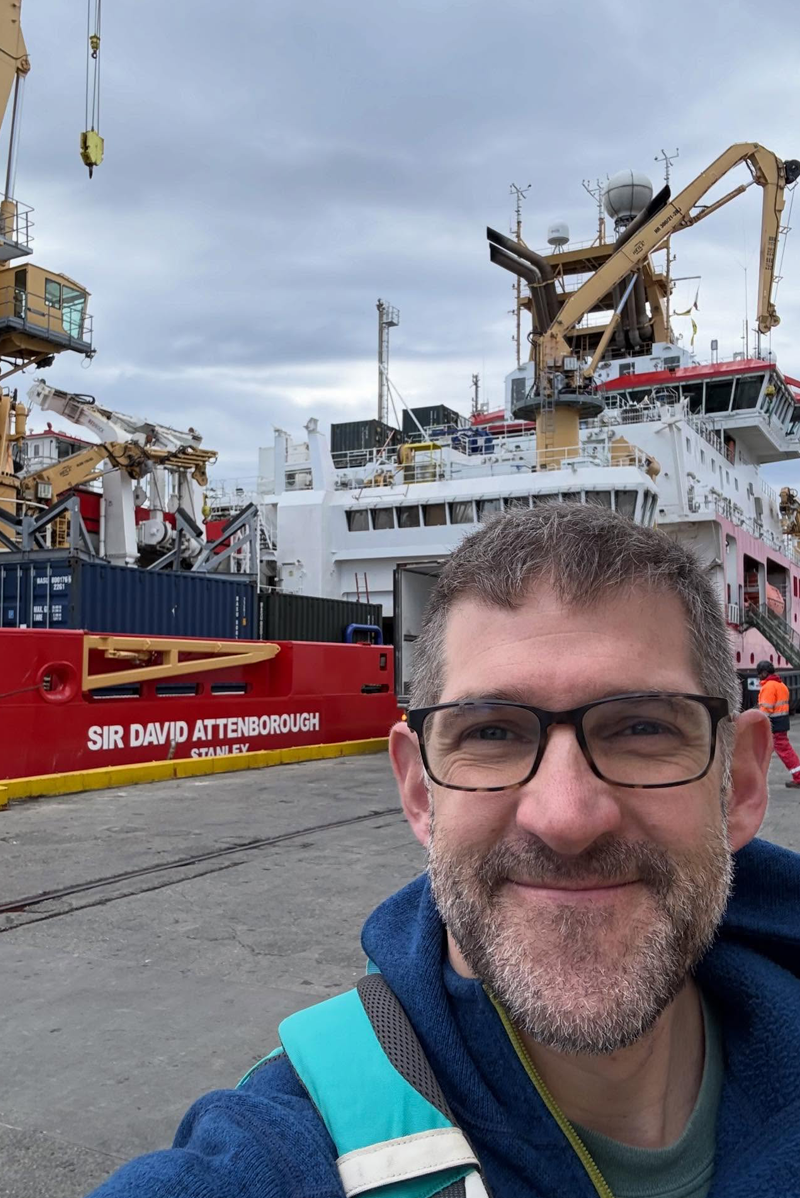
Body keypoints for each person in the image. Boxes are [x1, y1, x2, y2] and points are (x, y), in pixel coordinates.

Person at [86, 504, 800, 1198]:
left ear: (738, 784)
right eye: (491, 733)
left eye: (642, 727)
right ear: (420, 793)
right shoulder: (286, 1148)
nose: (566, 817)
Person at [755, 658, 800, 788]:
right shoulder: (781, 685)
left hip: (773, 725)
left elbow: (766, 709)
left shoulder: (768, 687)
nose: (758, 677)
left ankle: (798, 777)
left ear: (764, 673)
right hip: (781, 723)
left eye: (759, 673)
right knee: (767, 750)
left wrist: (757, 722)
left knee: (779, 751)